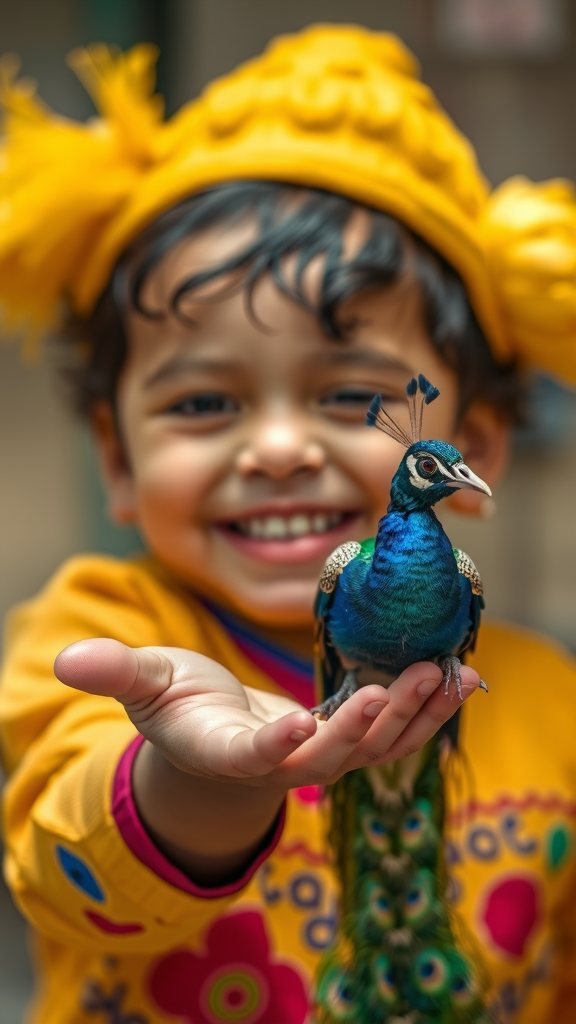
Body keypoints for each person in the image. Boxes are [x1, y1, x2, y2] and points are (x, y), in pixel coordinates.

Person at [0, 25, 575, 1024]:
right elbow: (59, 865)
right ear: (116, 458)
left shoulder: (552, 697)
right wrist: (198, 780)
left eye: (350, 399)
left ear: (475, 439)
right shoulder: (100, 632)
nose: (274, 449)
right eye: (203, 405)